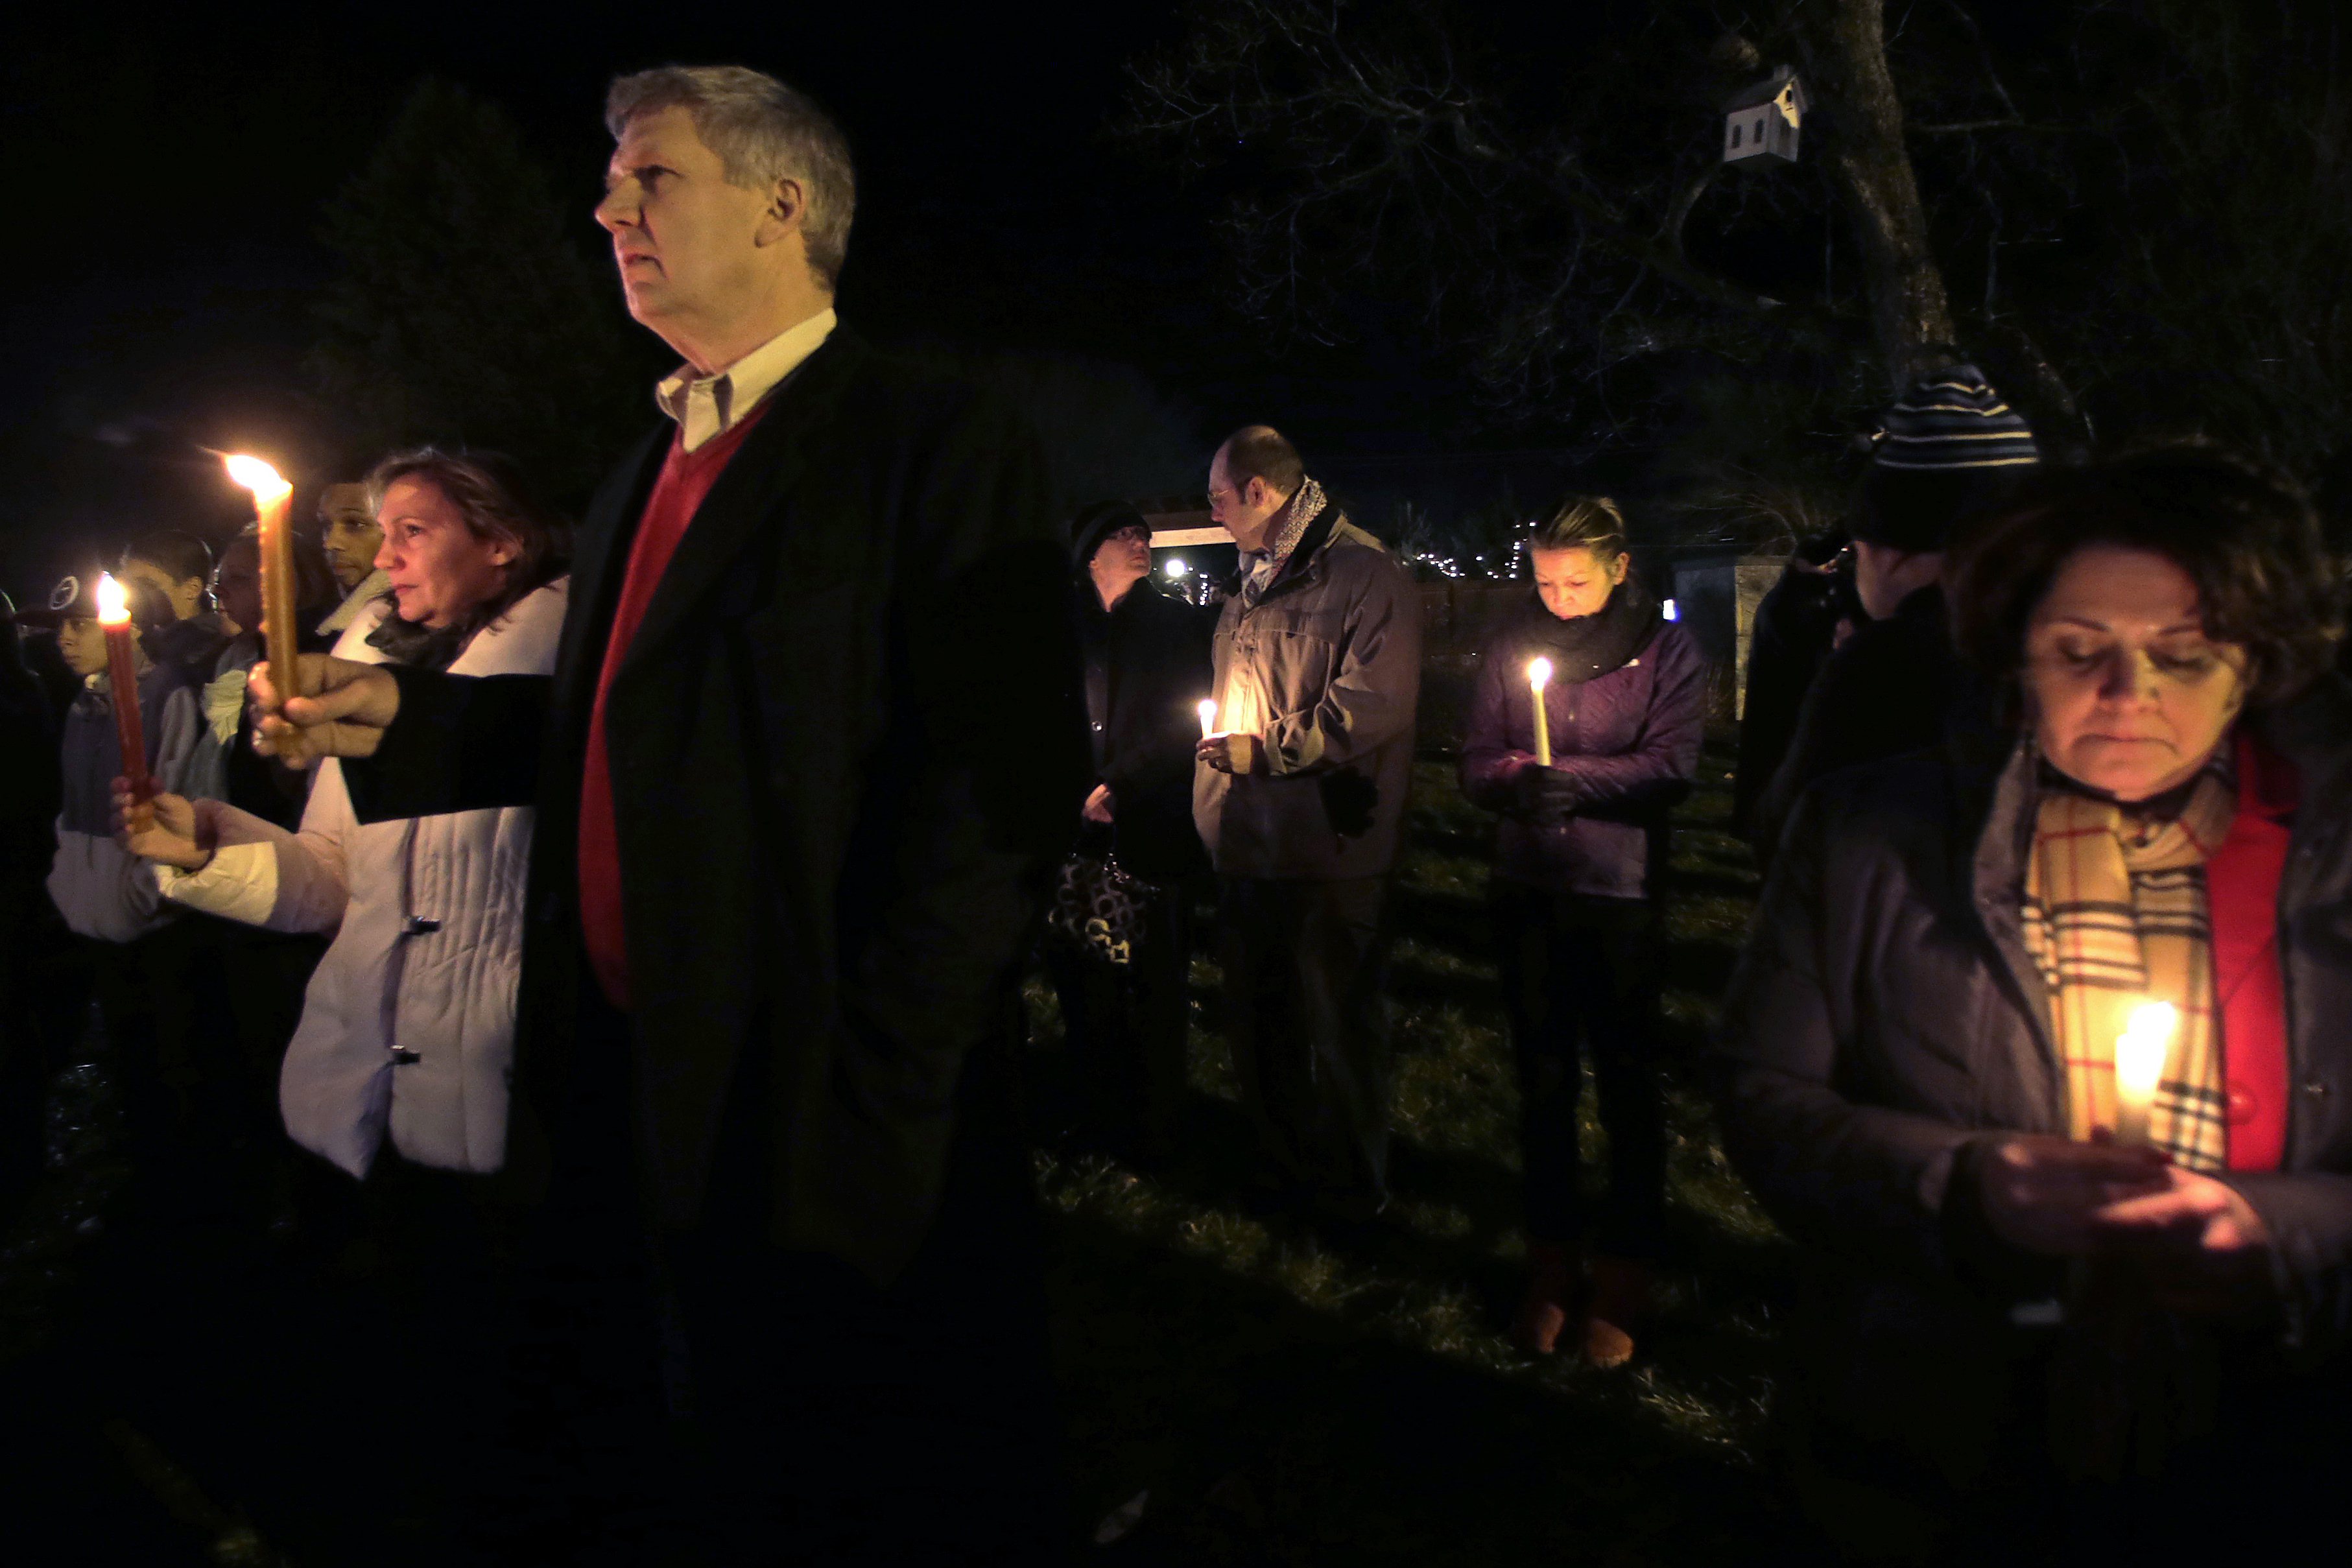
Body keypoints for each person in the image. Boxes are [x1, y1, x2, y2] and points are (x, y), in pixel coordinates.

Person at [249, 64, 1082, 1565]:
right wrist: (404, 721)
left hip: (811, 1087)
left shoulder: (927, 436)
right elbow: (632, 732)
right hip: (630, 1074)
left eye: (652, 178)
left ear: (781, 204)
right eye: (614, 180)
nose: (607, 206)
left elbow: (997, 781)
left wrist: (884, 1070)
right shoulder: (649, 461)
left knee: (843, 1460)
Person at [1713, 447, 2352, 1559]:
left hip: (2278, 1452)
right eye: (2077, 650)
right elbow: (1763, 1096)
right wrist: (1963, 1186)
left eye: (2182, 654)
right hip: (1936, 1435)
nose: (2127, 694)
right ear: (2013, 655)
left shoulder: (2332, 858)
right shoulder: (1868, 832)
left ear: (2251, 665)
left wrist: (2281, 1231)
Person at [1459, 496, 1705, 1364]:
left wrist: (1576, 782)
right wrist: (1513, 782)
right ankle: (1549, 1257)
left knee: (1627, 1082)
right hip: (1526, 887)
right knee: (1541, 1079)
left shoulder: (1664, 648)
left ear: (1618, 568)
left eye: (1574, 580)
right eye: (1543, 580)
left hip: (1619, 893)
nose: (1557, 597)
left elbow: (1672, 762)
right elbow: (1477, 755)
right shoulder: (1509, 643)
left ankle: (1626, 1268)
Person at [1194, 424, 1420, 1228]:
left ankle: (1357, 1192)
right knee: (1264, 1029)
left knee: (1340, 1030)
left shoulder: (1363, 575)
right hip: (1248, 846)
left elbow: (1372, 704)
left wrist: (1272, 752)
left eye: (1218, 496)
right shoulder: (1249, 581)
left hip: (1328, 852)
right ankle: (1280, 1174)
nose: (1212, 511)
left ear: (1258, 491)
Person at [1752, 365, 2040, 863]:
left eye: (1857, 556)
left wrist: (1853, 672)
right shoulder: (2066, 637)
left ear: (1886, 553)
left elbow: (1787, 834)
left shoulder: (1888, 664)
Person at [1041, 500, 1213, 1165]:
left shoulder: (1174, 625)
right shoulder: (1065, 627)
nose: (1139, 540)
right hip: (1076, 837)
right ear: (1090, 554)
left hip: (1151, 828)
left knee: (1154, 984)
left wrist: (1123, 781)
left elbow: (1187, 717)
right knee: (1084, 978)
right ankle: (1094, 1110)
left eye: (1143, 532)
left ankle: (1156, 1125)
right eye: (1120, 533)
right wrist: (1070, 787)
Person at [1730, 527, 1857, 843]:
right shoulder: (1800, 603)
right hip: (1791, 713)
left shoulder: (1790, 598)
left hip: (1781, 715)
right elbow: (1812, 660)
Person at [314, 481, 392, 640]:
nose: (331, 544)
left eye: (356, 524)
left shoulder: (410, 625)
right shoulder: (306, 624)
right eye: (327, 526)